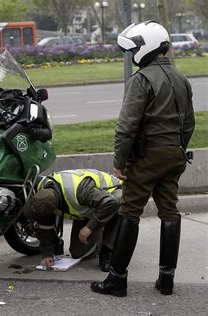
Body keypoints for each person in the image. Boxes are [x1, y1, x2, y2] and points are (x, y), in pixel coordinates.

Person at [91, 21, 195, 297]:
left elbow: (126, 127)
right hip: (175, 154)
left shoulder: (141, 79)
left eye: (135, 47)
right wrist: (178, 148)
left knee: (129, 211)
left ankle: (117, 279)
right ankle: (166, 280)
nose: (133, 52)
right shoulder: (182, 78)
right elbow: (189, 125)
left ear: (147, 46)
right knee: (169, 212)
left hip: (147, 157)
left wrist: (119, 161)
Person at [22, 169, 122, 272]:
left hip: (112, 191)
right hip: (89, 207)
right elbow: (44, 226)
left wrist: (90, 227)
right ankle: (99, 230)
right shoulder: (44, 194)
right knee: (79, 253)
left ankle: (108, 251)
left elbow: (110, 202)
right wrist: (47, 254)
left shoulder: (80, 191)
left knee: (118, 204)